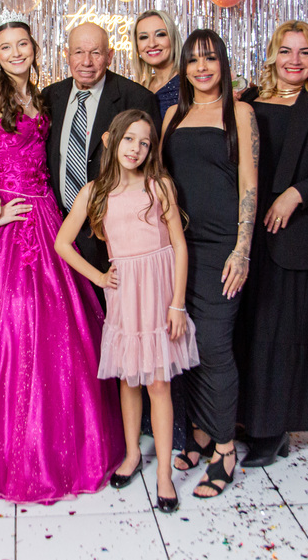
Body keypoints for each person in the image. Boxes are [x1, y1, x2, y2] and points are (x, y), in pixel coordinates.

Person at [0, 18, 123, 503]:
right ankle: (3, 447)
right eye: (5, 47)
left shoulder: (40, 95)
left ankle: (58, 440)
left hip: (48, 213)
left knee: (61, 326)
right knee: (11, 322)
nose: (15, 53)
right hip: (13, 222)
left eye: (21, 45)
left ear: (34, 48)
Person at [54, 109, 198, 514]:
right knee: (129, 379)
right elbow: (62, 243)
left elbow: (179, 245)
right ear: (113, 140)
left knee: (158, 383)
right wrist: (100, 277)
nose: (135, 149)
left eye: (144, 143)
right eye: (129, 139)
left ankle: (164, 474)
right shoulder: (94, 192)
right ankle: (133, 453)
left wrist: (177, 303)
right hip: (124, 294)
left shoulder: (159, 186)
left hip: (160, 292)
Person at [236, 21, 308, 467]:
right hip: (248, 236)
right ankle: (249, 418)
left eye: (304, 52)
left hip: (295, 235)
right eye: (286, 51)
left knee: (284, 336)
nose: (294, 60)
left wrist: (296, 194)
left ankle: (275, 429)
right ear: (272, 55)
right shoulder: (249, 100)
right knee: (249, 331)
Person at [161, 29, 257, 499]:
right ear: (184, 67)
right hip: (179, 245)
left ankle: (225, 447)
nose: (202, 68)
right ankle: (200, 430)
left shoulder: (240, 113)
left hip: (222, 247)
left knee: (216, 345)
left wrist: (242, 249)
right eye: (194, 60)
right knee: (186, 342)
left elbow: (249, 185)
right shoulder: (172, 115)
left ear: (223, 64)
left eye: (211, 58)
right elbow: (159, 179)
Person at [44, 22, 158, 282]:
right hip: (57, 227)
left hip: (113, 234)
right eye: (78, 52)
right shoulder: (50, 97)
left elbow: (151, 168)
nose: (86, 61)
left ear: (110, 56)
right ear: (66, 55)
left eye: (95, 53)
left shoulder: (137, 99)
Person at [131, 10, 184, 119]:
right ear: (137, 46)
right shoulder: (141, 88)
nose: (152, 44)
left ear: (173, 39)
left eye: (160, 35)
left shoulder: (188, 84)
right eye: (144, 37)